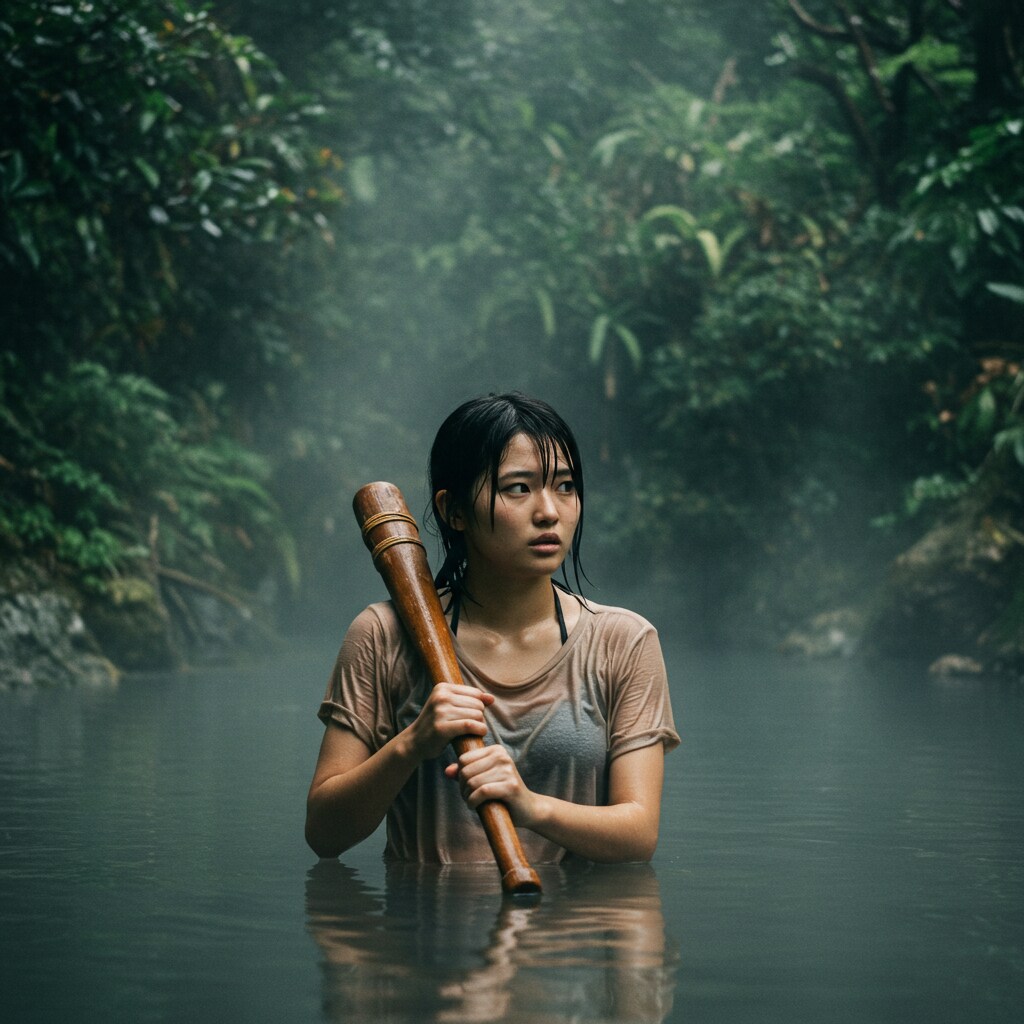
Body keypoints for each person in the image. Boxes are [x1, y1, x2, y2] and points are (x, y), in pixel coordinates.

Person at [305, 393, 679, 864]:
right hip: (423, 931)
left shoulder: (623, 642)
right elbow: (323, 833)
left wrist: (531, 807)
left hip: (573, 930)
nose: (549, 511)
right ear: (454, 511)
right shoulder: (383, 634)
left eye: (564, 486)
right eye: (518, 488)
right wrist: (411, 745)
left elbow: (639, 835)